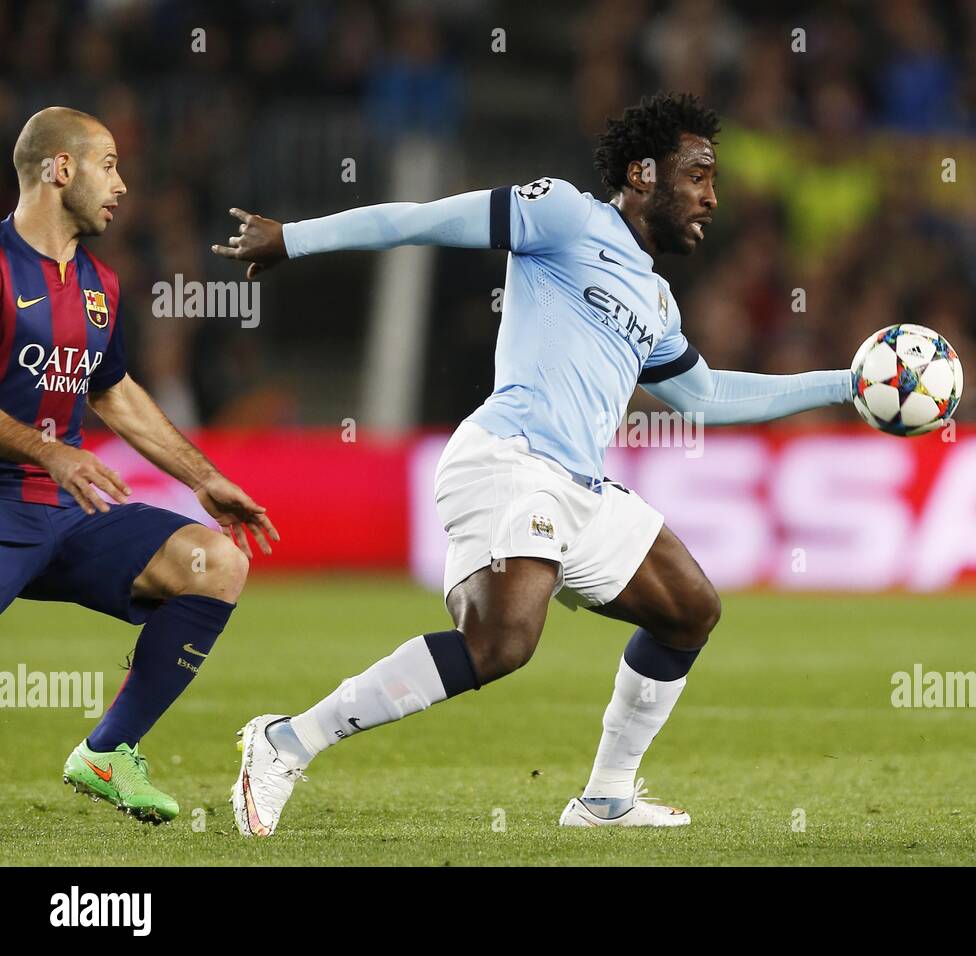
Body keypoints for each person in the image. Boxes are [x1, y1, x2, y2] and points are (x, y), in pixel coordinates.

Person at [213, 92, 853, 835]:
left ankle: (607, 797)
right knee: (502, 644)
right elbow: (419, 219)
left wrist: (845, 387)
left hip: (579, 486)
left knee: (689, 611)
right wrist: (294, 238)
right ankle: (285, 740)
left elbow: (706, 397)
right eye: (699, 174)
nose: (712, 196)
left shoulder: (657, 300)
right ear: (643, 173)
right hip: (511, 459)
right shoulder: (563, 214)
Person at [0, 107, 278, 823]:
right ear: (60, 169)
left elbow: (113, 393)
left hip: (66, 511)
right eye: (110, 164)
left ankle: (106, 751)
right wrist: (47, 448)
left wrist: (203, 477)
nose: (122, 184)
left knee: (215, 563)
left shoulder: (100, 287)